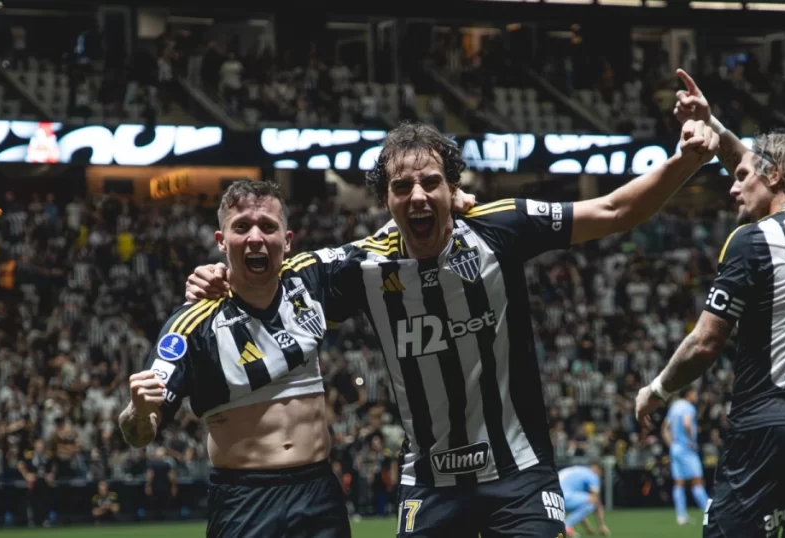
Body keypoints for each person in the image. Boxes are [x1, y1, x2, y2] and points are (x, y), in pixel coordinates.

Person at [186, 119, 720, 537]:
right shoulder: (361, 266)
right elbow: (271, 275)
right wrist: (222, 274)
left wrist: (687, 159)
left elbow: (614, 208)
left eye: (431, 183)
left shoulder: (499, 228)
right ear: (386, 200)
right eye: (402, 187)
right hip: (431, 483)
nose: (417, 196)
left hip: (519, 473)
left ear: (453, 188)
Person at [634, 69, 785, 538]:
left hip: (767, 430)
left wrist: (657, 390)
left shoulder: (753, 240)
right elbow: (756, 164)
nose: (732, 186)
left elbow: (705, 343)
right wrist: (713, 124)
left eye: (741, 177)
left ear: (774, 175)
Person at [117, 180, 350, 538]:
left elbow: (388, 245)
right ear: (221, 241)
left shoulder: (310, 280)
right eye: (241, 227)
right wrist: (136, 410)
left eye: (268, 226)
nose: (255, 237)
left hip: (319, 494)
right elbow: (138, 433)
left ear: (287, 240)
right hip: (244, 500)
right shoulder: (191, 326)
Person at [662, 387, 709, 525]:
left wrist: (671, 444)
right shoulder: (688, 407)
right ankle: (710, 513)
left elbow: (664, 428)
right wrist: (691, 441)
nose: (696, 396)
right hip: (687, 449)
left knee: (679, 482)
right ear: (688, 394)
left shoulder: (674, 406)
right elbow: (687, 424)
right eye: (694, 393)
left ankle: (681, 516)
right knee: (697, 481)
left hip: (675, 448)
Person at [558, 462, 611, 537]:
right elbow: (595, 501)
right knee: (592, 502)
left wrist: (588, 528)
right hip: (565, 496)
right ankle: (566, 526)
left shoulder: (579, 470)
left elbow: (580, 510)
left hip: (552, 496)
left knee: (586, 502)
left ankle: (564, 527)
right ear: (599, 470)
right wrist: (602, 525)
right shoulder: (592, 475)